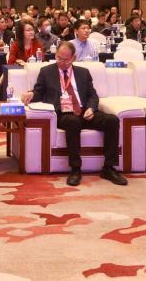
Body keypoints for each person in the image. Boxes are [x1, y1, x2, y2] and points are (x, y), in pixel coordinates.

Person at [21, 41, 125, 187]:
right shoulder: (46, 72)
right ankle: (75, 169)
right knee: (73, 122)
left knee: (112, 120)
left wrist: (91, 108)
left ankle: (109, 168)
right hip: (63, 114)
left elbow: (92, 95)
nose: (61, 62)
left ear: (73, 58)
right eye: (59, 58)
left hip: (83, 111)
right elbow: (39, 92)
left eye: (66, 59)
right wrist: (31, 94)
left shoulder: (83, 73)